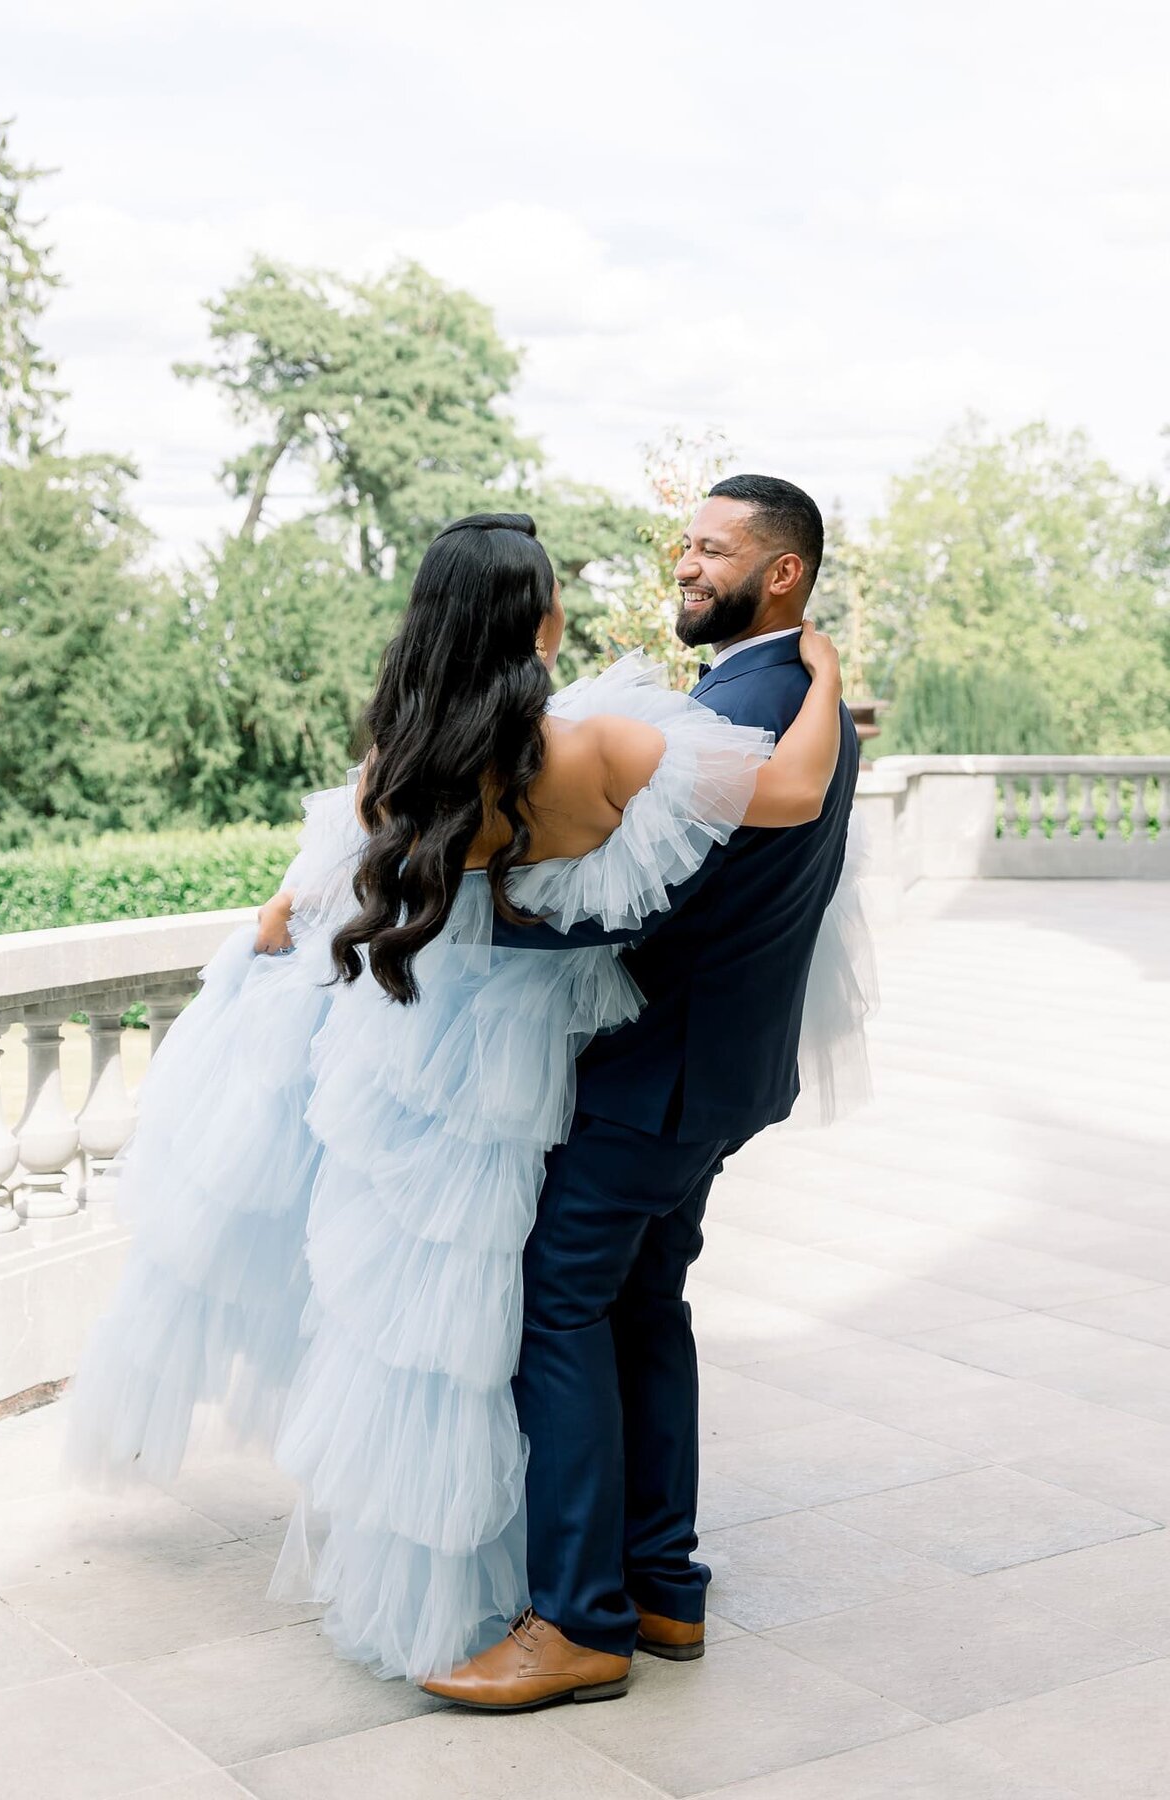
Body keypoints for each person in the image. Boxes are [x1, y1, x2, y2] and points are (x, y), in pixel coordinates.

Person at [59, 508, 865, 1701]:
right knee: (592, 1310)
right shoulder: (592, 750)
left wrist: (275, 935)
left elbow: (299, 914)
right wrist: (825, 665)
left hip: (418, 1065)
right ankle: (630, 1598)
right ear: (533, 620)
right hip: (539, 1065)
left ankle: (581, 1597)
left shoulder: (405, 767)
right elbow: (794, 788)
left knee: (472, 1321)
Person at [421, 475, 869, 1712]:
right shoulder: (776, 689)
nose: (684, 563)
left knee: (554, 1307)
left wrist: (497, 930)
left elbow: (651, 900)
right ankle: (664, 1582)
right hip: (717, 1069)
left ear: (780, 575)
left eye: (711, 550)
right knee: (640, 1304)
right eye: (686, 541)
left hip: (655, 1073)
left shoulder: (741, 702)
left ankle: (577, 1619)